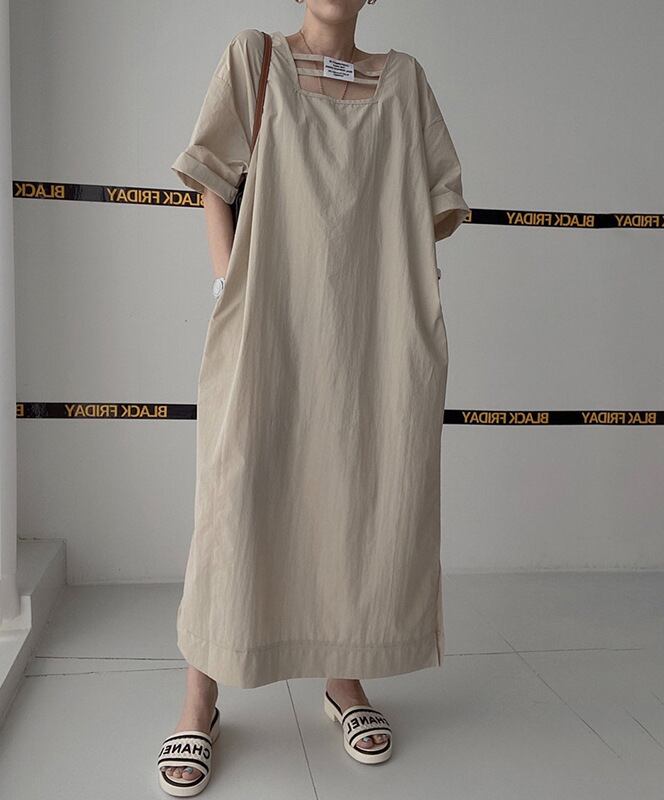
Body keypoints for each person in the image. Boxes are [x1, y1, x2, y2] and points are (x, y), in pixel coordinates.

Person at [159, 0, 469, 793]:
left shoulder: (405, 83)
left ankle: (345, 679)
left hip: (371, 332)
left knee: (357, 498)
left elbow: (436, 209)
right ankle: (200, 702)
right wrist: (230, 288)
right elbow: (212, 179)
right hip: (266, 322)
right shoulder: (256, 60)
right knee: (233, 497)